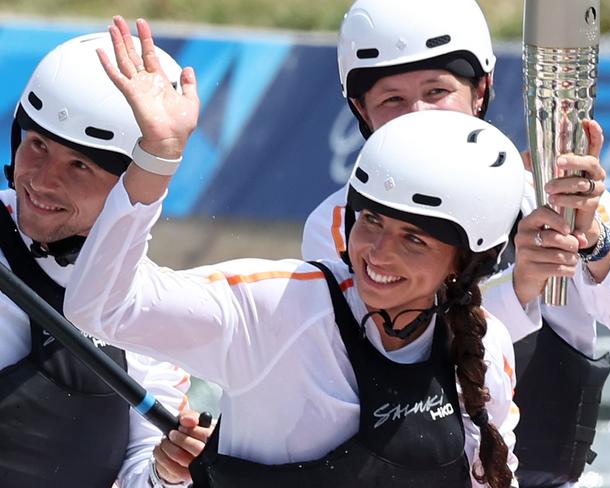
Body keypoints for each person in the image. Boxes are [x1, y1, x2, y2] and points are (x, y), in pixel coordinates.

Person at [63, 17, 524, 487]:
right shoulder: (275, 309)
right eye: (371, 221)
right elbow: (100, 307)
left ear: (466, 263)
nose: (378, 254)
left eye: (414, 239)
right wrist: (157, 157)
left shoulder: (487, 348)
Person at [300, 1, 610, 487]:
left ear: (480, 89)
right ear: (361, 110)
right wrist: (519, 287)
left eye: (437, 91)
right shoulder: (339, 223)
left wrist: (592, 242)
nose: (419, 116)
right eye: (393, 101)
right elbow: (380, 365)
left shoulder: (549, 191)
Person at [0, 27, 194, 488]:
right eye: (38, 146)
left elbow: (140, 470)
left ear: (126, 185)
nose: (42, 181)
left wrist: (165, 473)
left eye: (79, 166)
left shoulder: (148, 306)